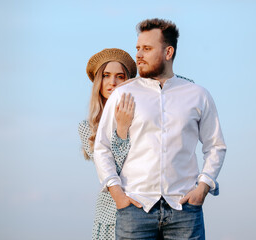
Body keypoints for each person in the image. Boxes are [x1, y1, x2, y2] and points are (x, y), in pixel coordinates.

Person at [94, 18, 227, 239]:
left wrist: (203, 187)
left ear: (168, 52)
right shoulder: (122, 95)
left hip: (185, 209)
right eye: (137, 48)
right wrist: (118, 194)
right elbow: (102, 148)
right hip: (134, 209)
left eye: (146, 49)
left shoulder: (197, 95)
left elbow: (216, 145)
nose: (138, 55)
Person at [78, 48, 137, 240]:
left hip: (147, 210)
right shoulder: (88, 127)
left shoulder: (142, 119)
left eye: (120, 76)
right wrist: (122, 128)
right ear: (98, 82)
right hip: (110, 215)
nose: (112, 82)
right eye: (106, 76)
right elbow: (111, 170)